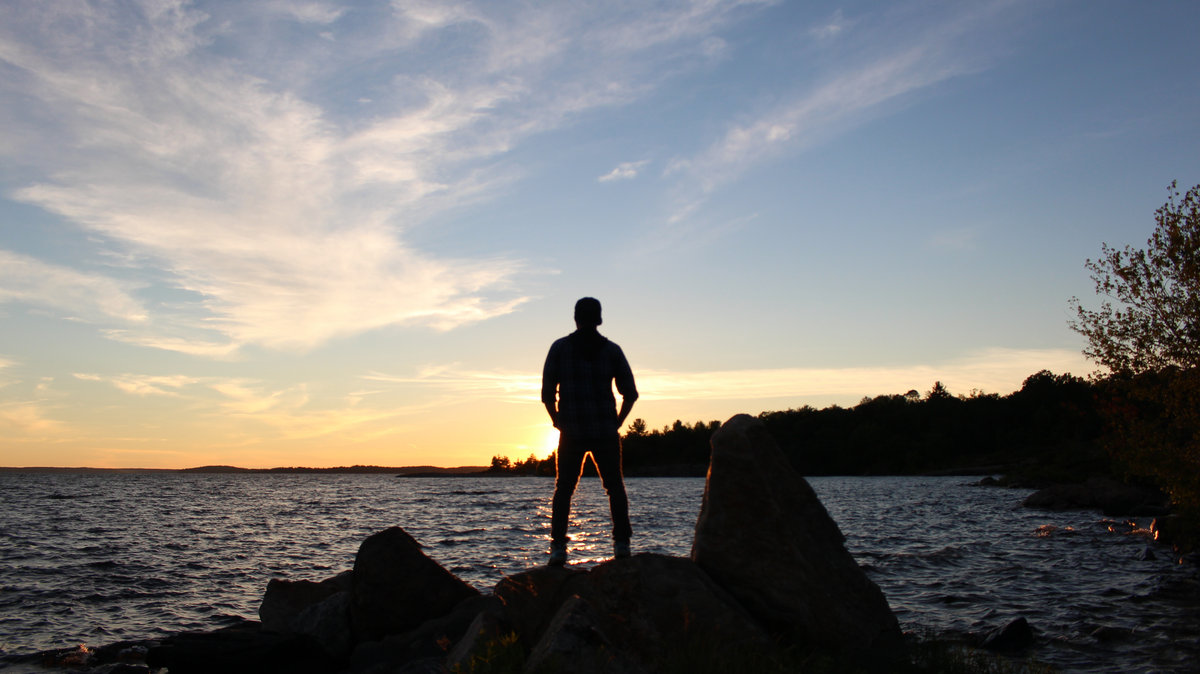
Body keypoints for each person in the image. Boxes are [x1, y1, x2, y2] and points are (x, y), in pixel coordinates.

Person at [541, 297, 638, 566]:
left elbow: (547, 394)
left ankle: (558, 548)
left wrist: (556, 420)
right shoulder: (612, 350)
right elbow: (630, 393)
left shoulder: (559, 348)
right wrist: (618, 421)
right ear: (599, 319)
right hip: (605, 431)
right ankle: (621, 545)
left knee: (564, 489)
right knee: (614, 487)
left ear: (576, 319)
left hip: (571, 431)